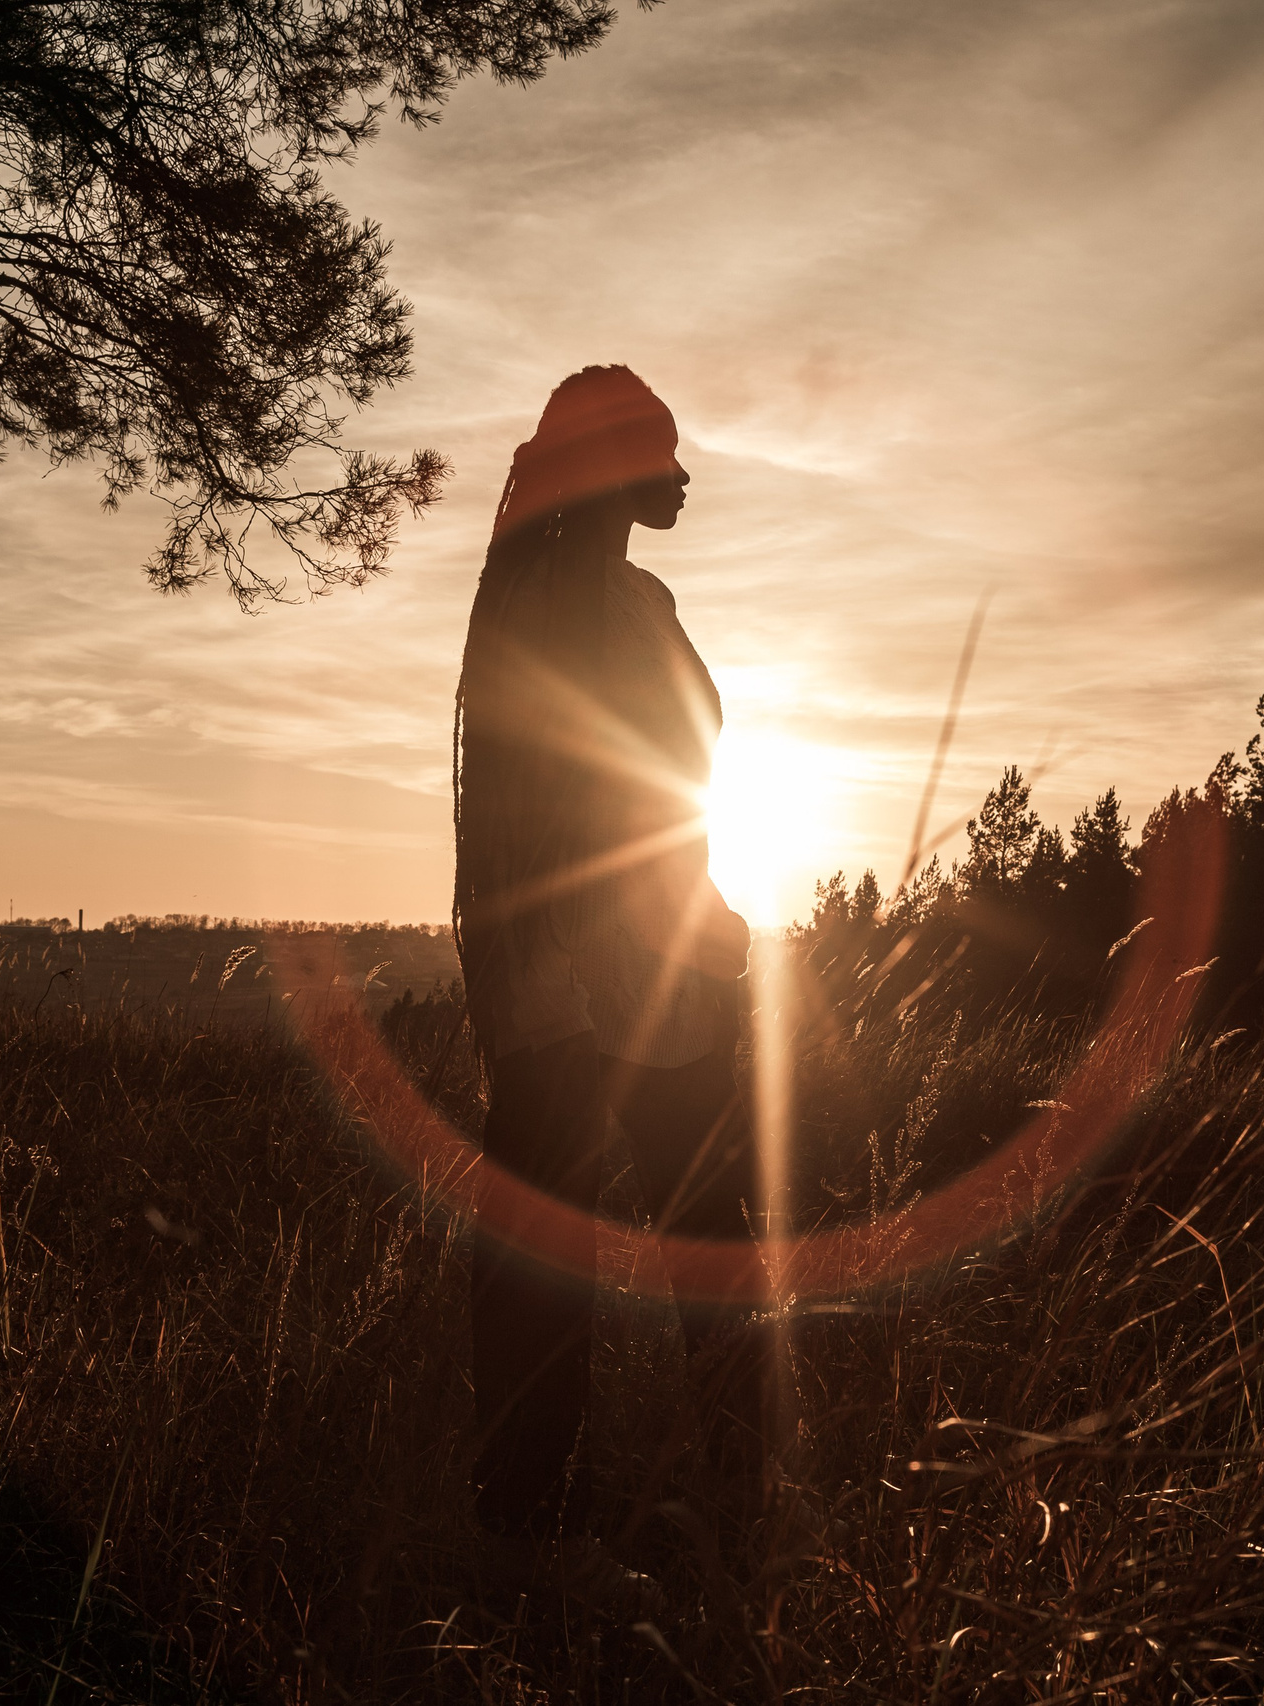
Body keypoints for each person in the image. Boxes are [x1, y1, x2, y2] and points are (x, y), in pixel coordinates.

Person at [452, 365, 765, 1591]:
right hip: (576, 988)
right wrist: (583, 968)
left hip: (670, 974)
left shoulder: (639, 597)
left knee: (713, 1245)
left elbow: (664, 787)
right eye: (658, 454)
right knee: (549, 1264)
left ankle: (736, 1498)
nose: (680, 478)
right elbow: (552, 808)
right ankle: (530, 1528)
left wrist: (707, 923)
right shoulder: (541, 601)